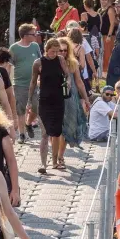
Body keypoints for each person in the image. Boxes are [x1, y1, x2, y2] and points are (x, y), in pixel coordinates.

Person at [28, 38, 72, 172]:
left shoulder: (60, 60)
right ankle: (43, 164)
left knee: (57, 132)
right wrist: (29, 100)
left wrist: (68, 82)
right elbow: (33, 82)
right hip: (44, 101)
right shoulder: (38, 63)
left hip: (59, 100)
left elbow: (67, 74)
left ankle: (54, 161)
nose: (55, 54)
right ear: (46, 50)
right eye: (52, 51)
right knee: (44, 133)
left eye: (57, 51)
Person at [58, 38, 90, 167]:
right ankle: (57, 155)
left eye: (65, 50)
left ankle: (60, 156)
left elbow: (79, 82)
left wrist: (86, 99)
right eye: (60, 50)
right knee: (56, 129)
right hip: (54, 98)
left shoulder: (73, 63)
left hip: (70, 99)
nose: (63, 53)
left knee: (67, 128)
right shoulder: (49, 62)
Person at [9, 23, 43, 144]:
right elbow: (9, 65)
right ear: (24, 35)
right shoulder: (14, 48)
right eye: (33, 34)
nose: (35, 36)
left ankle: (28, 123)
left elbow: (41, 61)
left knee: (37, 107)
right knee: (20, 109)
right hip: (19, 84)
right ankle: (22, 134)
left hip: (35, 83)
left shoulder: (35, 46)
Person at [67, 26, 97, 94]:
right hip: (81, 75)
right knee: (83, 96)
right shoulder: (81, 48)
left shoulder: (66, 46)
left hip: (69, 74)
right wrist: (94, 71)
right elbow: (83, 64)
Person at [99, 0, 116, 73]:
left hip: (108, 35)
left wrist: (109, 35)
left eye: (105, 0)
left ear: (108, 1)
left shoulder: (110, 9)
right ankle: (103, 70)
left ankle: (108, 70)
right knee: (102, 53)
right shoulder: (99, 10)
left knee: (108, 53)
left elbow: (112, 23)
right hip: (101, 35)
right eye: (102, 0)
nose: (103, 1)